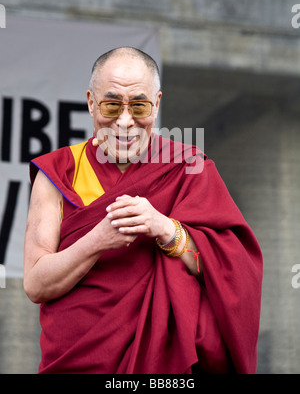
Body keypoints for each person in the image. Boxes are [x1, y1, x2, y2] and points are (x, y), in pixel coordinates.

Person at [23, 46, 263, 374]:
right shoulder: (60, 172)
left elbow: (235, 271)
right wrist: (99, 240)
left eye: (139, 106)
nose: (125, 121)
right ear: (91, 103)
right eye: (111, 105)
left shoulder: (188, 167)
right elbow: (36, 283)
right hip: (76, 362)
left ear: (157, 104)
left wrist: (166, 229)